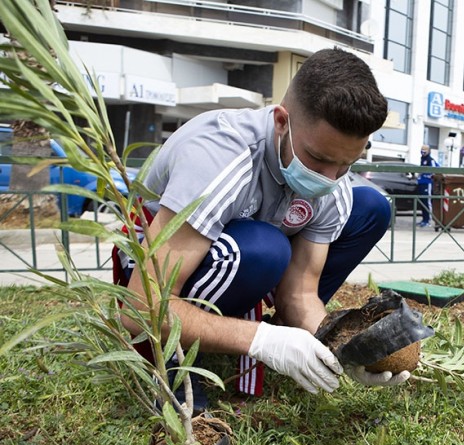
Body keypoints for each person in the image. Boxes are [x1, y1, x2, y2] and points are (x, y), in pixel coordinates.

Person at [113, 48, 411, 408]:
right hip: (155, 263)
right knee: (265, 247)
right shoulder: (219, 156)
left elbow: (300, 293)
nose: (329, 179)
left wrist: (341, 348)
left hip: (245, 257)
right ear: (281, 122)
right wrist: (261, 340)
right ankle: (173, 366)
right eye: (318, 158)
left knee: (369, 207)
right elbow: (142, 306)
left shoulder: (334, 184)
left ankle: (273, 340)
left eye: (347, 163)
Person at [417, 144, 439, 227]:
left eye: (425, 149)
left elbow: (435, 171)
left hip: (427, 183)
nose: (423, 151)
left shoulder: (431, 160)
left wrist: (429, 176)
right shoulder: (422, 159)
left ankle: (428, 220)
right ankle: (424, 219)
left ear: (429, 150)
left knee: (427, 202)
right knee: (422, 202)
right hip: (421, 183)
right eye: (422, 149)